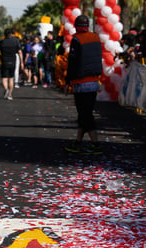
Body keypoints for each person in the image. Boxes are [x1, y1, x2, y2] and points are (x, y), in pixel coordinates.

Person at [64, 15, 103, 154]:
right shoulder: (96, 37)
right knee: (84, 113)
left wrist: (67, 82)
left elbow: (73, 62)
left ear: (75, 26)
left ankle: (95, 143)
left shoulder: (76, 39)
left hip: (81, 83)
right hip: (93, 82)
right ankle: (78, 141)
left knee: (85, 114)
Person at [0, 28, 24, 100]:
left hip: (4, 61)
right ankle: (10, 94)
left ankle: (6, 89)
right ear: (11, 34)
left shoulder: (1, 42)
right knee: (11, 78)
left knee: (4, 77)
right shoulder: (16, 41)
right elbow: (20, 52)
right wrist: (22, 62)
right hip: (13, 61)